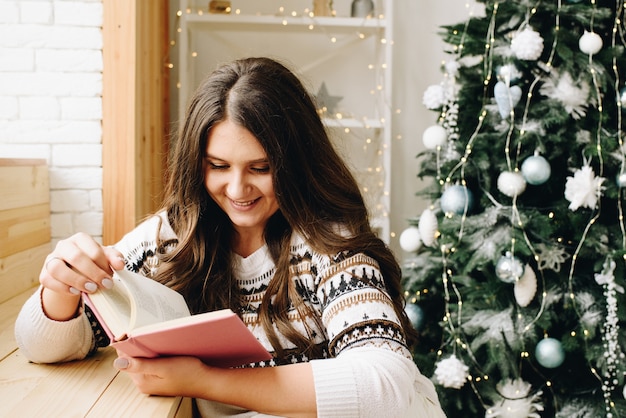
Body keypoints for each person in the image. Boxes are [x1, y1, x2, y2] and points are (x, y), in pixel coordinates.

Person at [14, 57, 445, 417]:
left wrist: (207, 382)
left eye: (260, 168)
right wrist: (61, 289)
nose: (238, 190)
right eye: (218, 166)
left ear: (294, 163)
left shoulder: (331, 244)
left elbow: (386, 386)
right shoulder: (173, 236)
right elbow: (42, 346)